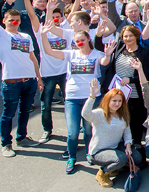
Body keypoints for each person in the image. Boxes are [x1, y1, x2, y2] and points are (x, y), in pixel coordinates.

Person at [41, 18, 115, 174]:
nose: (79, 43)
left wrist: (108, 54)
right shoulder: (70, 54)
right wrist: (43, 35)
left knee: (88, 130)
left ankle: (89, 153)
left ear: (88, 38)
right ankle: (72, 157)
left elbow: (104, 62)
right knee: (73, 132)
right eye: (77, 41)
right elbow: (49, 51)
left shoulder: (97, 54)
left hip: (91, 98)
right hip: (72, 98)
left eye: (82, 40)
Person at [0, 0, 43, 158]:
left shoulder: (25, 37)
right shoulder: (0, 35)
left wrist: (38, 78)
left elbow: (33, 58)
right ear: (5, 21)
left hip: (30, 81)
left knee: (25, 111)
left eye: (17, 20)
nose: (15, 22)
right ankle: (6, 144)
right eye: (11, 20)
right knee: (9, 113)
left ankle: (22, 137)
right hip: (11, 82)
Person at [96, 25, 149, 168]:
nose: (127, 39)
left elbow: (147, 73)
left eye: (130, 36)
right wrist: (98, 35)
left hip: (134, 94)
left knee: (135, 124)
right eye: (125, 36)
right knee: (119, 121)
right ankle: (122, 153)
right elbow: (98, 47)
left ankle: (137, 156)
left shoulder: (143, 53)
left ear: (136, 36)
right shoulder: (118, 48)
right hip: (117, 94)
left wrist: (131, 80)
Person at [24, 0, 64, 144]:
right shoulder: (41, 32)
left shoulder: (65, 30)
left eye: (57, 17)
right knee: (45, 105)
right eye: (51, 17)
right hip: (47, 74)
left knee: (71, 103)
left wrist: (53, 0)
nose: (54, 20)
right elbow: (32, 16)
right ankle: (47, 130)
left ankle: (76, 130)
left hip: (65, 74)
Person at [82, 80, 141, 187]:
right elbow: (85, 114)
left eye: (120, 101)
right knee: (121, 159)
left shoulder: (122, 115)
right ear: (107, 101)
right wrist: (92, 96)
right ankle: (102, 173)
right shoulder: (99, 114)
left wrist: (128, 146)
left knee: (137, 157)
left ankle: (114, 166)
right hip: (99, 151)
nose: (117, 104)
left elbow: (127, 132)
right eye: (114, 101)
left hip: (114, 147)